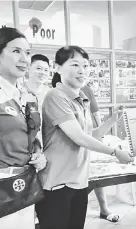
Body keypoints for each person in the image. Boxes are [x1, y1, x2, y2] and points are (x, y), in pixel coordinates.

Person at [36, 46, 133, 229]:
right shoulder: (55, 96)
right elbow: (79, 138)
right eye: (75, 64)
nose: (82, 71)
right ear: (57, 67)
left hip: (79, 182)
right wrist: (115, 152)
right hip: (57, 184)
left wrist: (112, 120)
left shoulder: (80, 97)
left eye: (86, 65)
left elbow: (90, 136)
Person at [0, 27, 46, 228]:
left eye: (27, 53)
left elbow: (29, 135)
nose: (25, 59)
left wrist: (38, 152)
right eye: (16, 51)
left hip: (24, 187)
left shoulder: (23, 95)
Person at [81, 85, 120, 222]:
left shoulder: (85, 89)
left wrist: (110, 123)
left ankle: (104, 208)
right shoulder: (55, 95)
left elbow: (95, 113)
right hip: (71, 147)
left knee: (95, 172)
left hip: (88, 137)